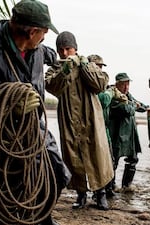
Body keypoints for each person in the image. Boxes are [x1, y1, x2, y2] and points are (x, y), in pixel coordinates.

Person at [0, 1, 70, 224]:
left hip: (35, 132)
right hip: (0, 144)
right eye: (44, 32)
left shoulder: (38, 50)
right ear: (31, 32)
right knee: (5, 199)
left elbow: (52, 55)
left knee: (56, 174)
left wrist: (69, 61)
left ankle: (42, 217)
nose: (45, 37)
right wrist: (11, 107)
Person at [45, 33, 114, 210]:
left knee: (96, 155)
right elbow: (52, 86)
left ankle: (100, 194)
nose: (65, 53)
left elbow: (100, 84)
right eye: (61, 50)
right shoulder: (55, 68)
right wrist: (65, 71)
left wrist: (84, 65)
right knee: (73, 156)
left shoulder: (88, 64)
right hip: (68, 118)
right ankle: (81, 194)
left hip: (90, 117)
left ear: (75, 48)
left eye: (68, 49)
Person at [88, 54, 127, 198]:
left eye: (100, 67)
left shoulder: (102, 86)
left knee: (109, 161)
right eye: (97, 67)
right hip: (93, 130)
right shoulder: (90, 85)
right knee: (97, 162)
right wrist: (111, 92)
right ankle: (98, 193)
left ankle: (108, 189)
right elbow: (103, 101)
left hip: (104, 130)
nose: (99, 70)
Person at [108, 73, 147, 191]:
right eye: (123, 84)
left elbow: (140, 106)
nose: (126, 87)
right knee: (113, 160)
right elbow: (125, 109)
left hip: (130, 135)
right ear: (117, 84)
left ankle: (126, 185)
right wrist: (134, 106)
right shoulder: (113, 94)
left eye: (128, 84)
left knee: (133, 159)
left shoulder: (127, 96)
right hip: (117, 133)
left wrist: (145, 107)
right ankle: (110, 186)